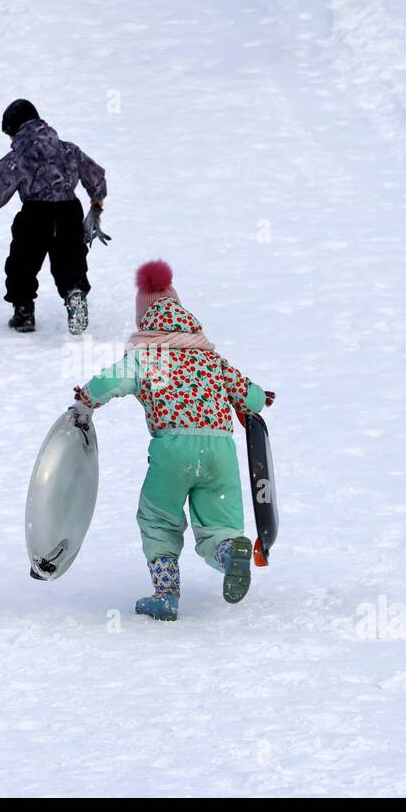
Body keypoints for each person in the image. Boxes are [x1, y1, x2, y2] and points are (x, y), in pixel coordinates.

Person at [72, 260, 276, 621]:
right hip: (220, 451)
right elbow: (251, 397)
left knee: (158, 520)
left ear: (143, 320)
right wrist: (259, 399)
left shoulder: (146, 355)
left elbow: (109, 382)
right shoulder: (209, 356)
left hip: (173, 452)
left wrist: (86, 398)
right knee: (218, 524)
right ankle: (231, 552)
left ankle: (166, 594)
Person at [0, 99, 107, 334]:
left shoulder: (17, 159)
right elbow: (94, 174)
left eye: (9, 134)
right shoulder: (68, 149)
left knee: (22, 263)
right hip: (69, 211)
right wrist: (97, 199)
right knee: (70, 260)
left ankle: (23, 311)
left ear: (16, 130)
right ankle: (75, 294)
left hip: (35, 215)